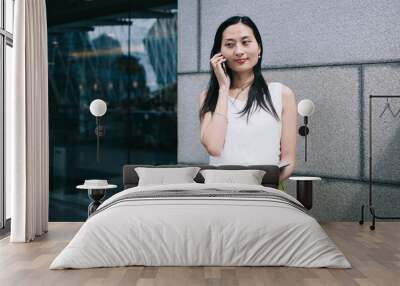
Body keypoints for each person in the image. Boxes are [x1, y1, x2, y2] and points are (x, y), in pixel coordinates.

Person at [198, 16, 297, 191]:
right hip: (220, 192)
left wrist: (259, 187)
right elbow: (213, 147)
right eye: (229, 44)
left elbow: (288, 161)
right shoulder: (209, 96)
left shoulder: (281, 94)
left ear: (258, 48)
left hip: (266, 191)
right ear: (218, 53)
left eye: (246, 42)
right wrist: (223, 87)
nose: (238, 51)